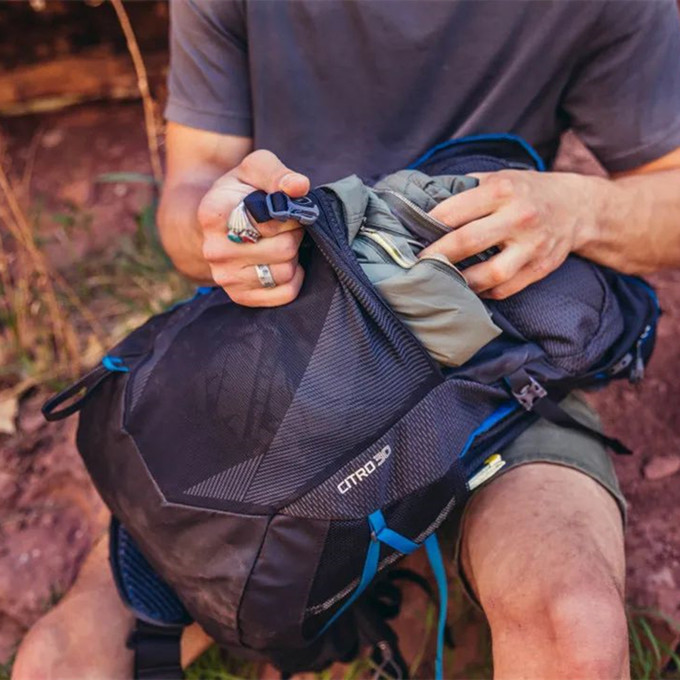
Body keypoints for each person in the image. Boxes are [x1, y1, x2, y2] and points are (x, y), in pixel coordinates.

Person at [13, 1, 680, 678]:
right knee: (63, 662)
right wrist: (227, 231)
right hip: (281, 352)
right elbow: (192, 187)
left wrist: (580, 210)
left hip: (491, 359)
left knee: (576, 629)